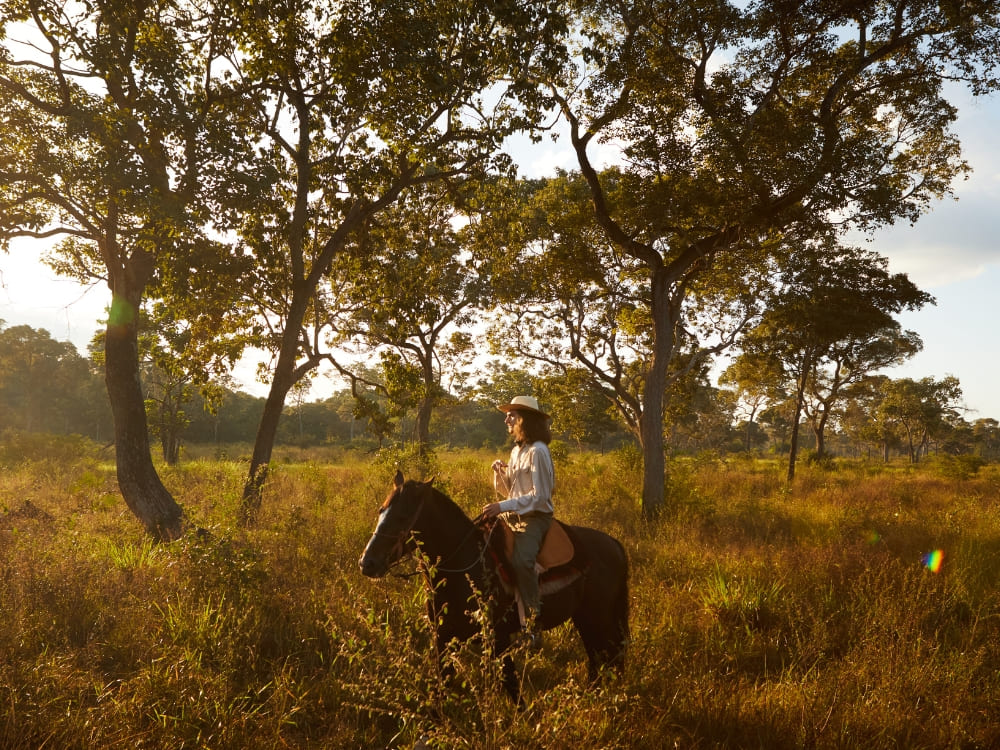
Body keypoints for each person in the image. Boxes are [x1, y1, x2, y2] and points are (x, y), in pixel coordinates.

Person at [482, 395, 554, 634]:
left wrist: (502, 506)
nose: (507, 420)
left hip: (534, 518)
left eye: (511, 415)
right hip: (514, 515)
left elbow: (540, 497)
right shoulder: (517, 451)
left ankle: (532, 623)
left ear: (525, 419)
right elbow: (509, 492)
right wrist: (499, 473)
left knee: (522, 562)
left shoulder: (538, 451)